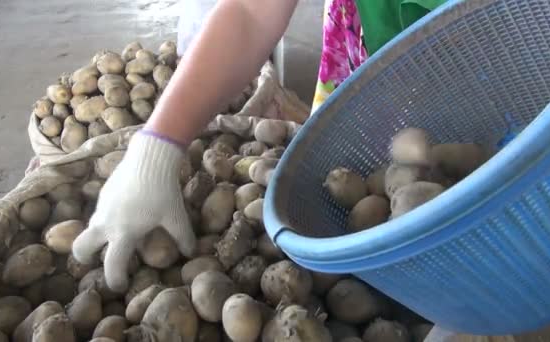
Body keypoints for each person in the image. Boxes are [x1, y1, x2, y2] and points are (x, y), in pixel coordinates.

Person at [71, 0, 446, 292]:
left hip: (493, 82)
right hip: (379, 62)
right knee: (375, 196)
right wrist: (155, 150)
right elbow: (251, 11)